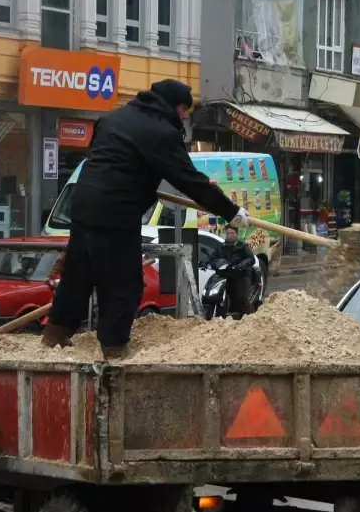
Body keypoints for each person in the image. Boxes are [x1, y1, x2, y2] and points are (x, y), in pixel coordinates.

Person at [42, 80, 244, 359]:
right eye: (184, 109)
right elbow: (188, 180)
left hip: (82, 205)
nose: (185, 116)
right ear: (174, 106)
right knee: (124, 284)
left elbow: (112, 163)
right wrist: (231, 211)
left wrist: (143, 180)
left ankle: (55, 336)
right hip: (116, 213)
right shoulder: (161, 132)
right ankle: (114, 350)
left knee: (79, 275)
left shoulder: (114, 118)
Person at [217, 223, 257, 320]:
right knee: (229, 301)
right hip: (229, 276)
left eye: (232, 233)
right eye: (228, 233)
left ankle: (252, 320)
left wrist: (241, 265)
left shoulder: (242, 245)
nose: (230, 235)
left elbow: (250, 258)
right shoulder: (223, 246)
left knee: (243, 300)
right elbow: (215, 257)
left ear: (236, 234)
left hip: (242, 276)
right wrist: (208, 263)